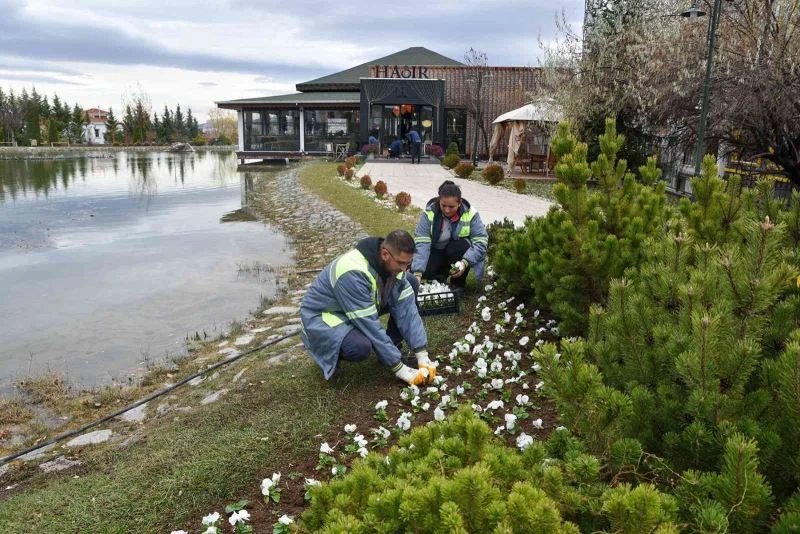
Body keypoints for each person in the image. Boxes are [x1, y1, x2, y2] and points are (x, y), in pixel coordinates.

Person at [300, 230, 437, 385]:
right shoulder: (352, 272)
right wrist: (400, 369)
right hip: (324, 318)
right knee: (359, 347)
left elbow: (407, 310)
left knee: (410, 282)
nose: (405, 269)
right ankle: (328, 350)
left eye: (408, 263)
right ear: (385, 254)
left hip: (355, 308)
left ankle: (392, 347)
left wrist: (422, 354)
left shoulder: (393, 264)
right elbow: (369, 325)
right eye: (401, 263)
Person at [411, 180, 488, 289]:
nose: (447, 210)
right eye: (443, 205)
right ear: (439, 201)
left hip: (457, 252)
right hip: (436, 250)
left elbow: (481, 242)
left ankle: (457, 283)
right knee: (425, 271)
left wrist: (464, 263)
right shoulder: (429, 213)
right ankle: (439, 277)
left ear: (459, 202)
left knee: (461, 247)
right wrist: (417, 273)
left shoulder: (471, 214)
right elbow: (422, 243)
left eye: (451, 207)